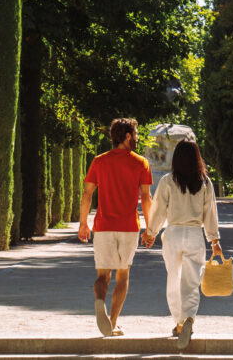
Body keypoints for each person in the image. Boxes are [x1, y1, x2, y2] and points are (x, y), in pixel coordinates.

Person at [142, 140, 223, 350]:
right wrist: (214, 240)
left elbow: (159, 209)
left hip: (173, 233)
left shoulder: (168, 181)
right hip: (195, 234)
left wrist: (151, 233)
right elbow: (210, 213)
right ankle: (189, 318)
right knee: (192, 282)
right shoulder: (204, 182)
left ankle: (179, 322)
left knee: (174, 279)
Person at [78, 118, 153, 337]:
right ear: (128, 136)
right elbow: (146, 197)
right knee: (123, 276)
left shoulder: (99, 161)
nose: (137, 137)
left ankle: (99, 301)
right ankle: (112, 322)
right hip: (128, 227)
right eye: (135, 134)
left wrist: (83, 223)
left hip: (103, 226)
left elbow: (87, 194)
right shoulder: (141, 162)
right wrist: (150, 228)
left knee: (103, 275)